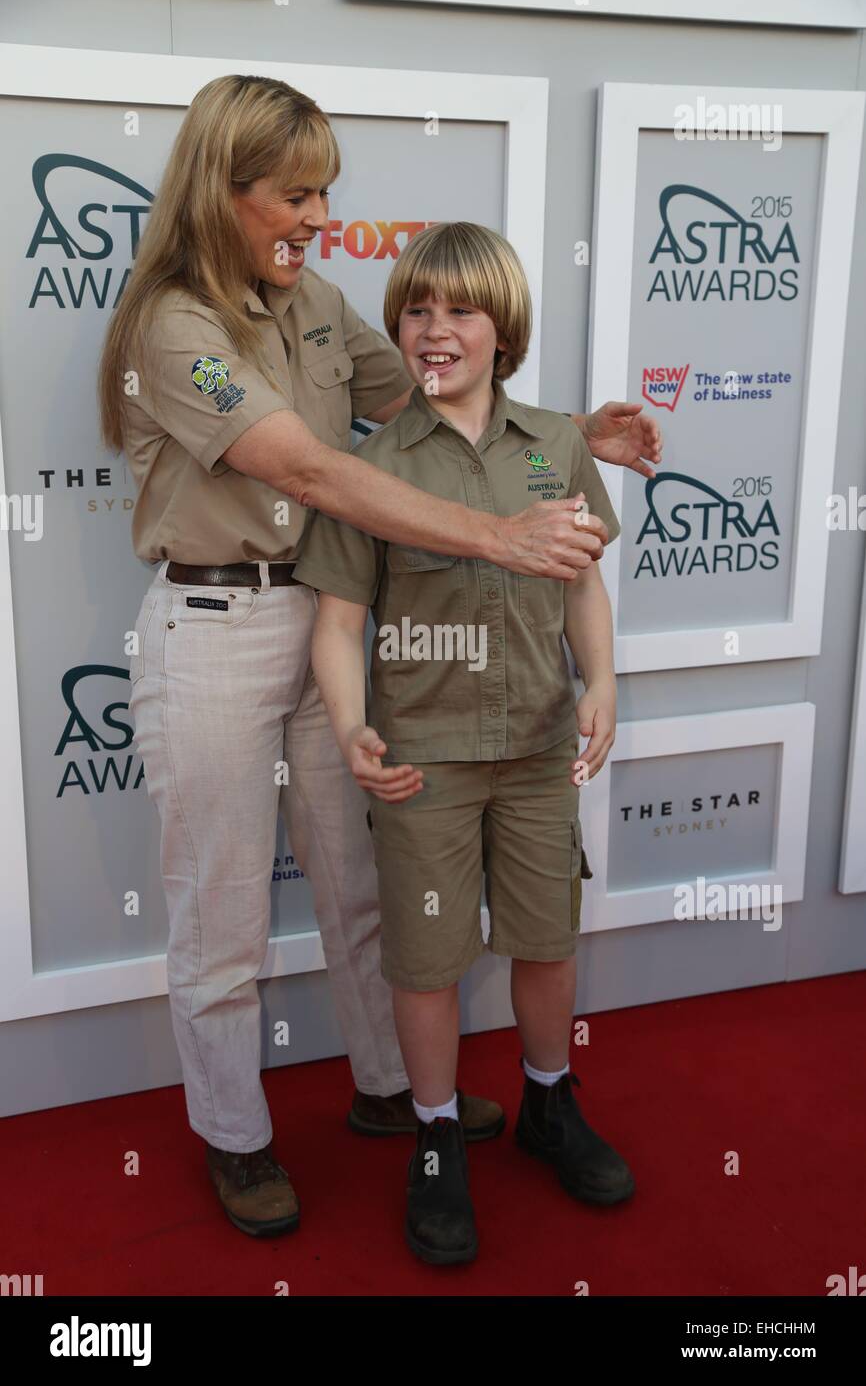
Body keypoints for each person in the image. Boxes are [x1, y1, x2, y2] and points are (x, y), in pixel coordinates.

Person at [97, 73, 659, 1240]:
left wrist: (557, 437)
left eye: (324, 195)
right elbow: (304, 466)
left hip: (334, 618)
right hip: (216, 630)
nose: (316, 218)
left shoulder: (314, 300)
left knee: (364, 885)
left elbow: (432, 393)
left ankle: (395, 1092)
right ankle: (234, 1136)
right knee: (221, 916)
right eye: (295, 195)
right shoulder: (174, 324)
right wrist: (498, 533)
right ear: (225, 188)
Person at [294, 221, 632, 1265]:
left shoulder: (555, 445)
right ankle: (435, 1136)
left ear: (503, 328)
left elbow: (579, 580)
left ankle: (545, 1102)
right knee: (428, 958)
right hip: (421, 762)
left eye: (460, 311)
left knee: (545, 937)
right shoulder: (372, 467)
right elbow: (340, 623)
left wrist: (603, 681)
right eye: (415, 310)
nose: (433, 331)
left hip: (536, 750)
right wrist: (350, 721)